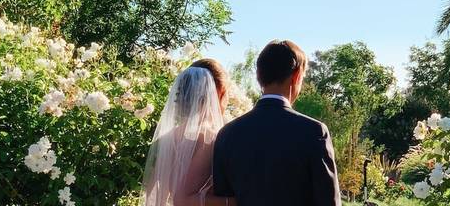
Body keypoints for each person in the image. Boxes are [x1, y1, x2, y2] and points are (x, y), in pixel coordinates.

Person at [212, 40, 341, 206]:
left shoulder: (227, 133)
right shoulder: (314, 132)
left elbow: (223, 199)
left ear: (258, 75)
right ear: (297, 76)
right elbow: (328, 201)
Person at [142, 59, 236, 206]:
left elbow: (152, 197)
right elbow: (183, 199)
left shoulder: (165, 139)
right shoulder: (209, 139)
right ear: (219, 92)